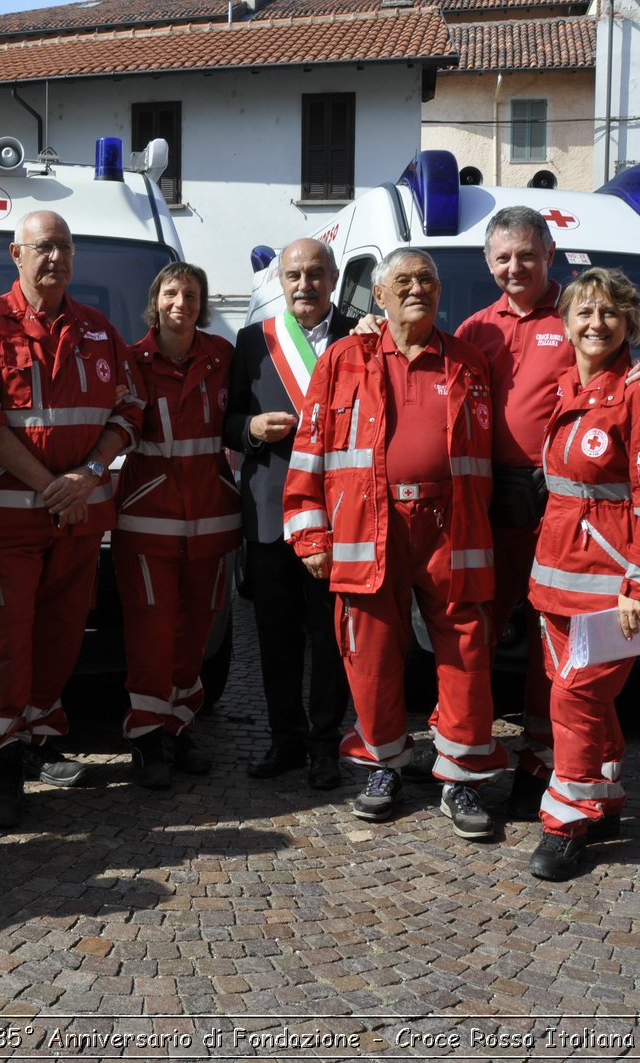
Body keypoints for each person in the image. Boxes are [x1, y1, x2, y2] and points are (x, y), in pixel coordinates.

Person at [283, 248, 509, 836]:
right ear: (377, 297)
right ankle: (384, 765)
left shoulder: (468, 362)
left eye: (427, 280)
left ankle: (459, 778)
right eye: (402, 280)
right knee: (372, 656)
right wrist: (309, 529)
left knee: (466, 654)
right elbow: (310, 449)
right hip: (367, 527)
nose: (417, 289)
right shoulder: (343, 358)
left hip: (451, 528)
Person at [453, 207, 640, 819]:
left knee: (560, 636)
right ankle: (466, 758)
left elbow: (618, 375)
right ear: (489, 263)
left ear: (550, 254)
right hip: (491, 497)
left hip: (568, 504)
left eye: (526, 254)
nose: (514, 267)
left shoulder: (577, 315)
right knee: (475, 630)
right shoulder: (475, 328)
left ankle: (545, 757)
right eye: (502, 258)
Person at [0, 209, 141, 828]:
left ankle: (37, 737)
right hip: (11, 522)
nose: (55, 258)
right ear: (17, 254)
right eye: (43, 247)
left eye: (63, 246)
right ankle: (0, 760)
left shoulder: (97, 329)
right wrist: (52, 486)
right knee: (8, 637)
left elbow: (129, 411)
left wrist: (88, 475)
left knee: (61, 634)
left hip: (78, 520)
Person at [526, 267, 640, 881]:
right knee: (586, 701)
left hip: (613, 589)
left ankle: (567, 825)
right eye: (584, 313)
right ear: (565, 324)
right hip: (559, 579)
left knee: (574, 699)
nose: (596, 324)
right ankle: (608, 797)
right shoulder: (568, 386)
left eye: (610, 314)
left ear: (630, 325)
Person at [222, 238, 353, 791]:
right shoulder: (254, 341)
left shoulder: (362, 335)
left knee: (330, 639)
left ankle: (326, 745)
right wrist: (249, 431)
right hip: (271, 515)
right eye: (295, 275)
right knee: (275, 638)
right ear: (281, 282)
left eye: (316, 274)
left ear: (333, 277)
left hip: (341, 516)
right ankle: (285, 739)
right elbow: (226, 420)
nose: (305, 285)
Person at [113, 263, 241, 788]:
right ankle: (146, 739)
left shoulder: (223, 358)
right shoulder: (131, 360)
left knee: (194, 635)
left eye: (191, 293)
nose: (181, 302)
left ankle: (179, 727)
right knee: (151, 633)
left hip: (211, 519)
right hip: (149, 520)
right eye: (171, 292)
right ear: (155, 300)